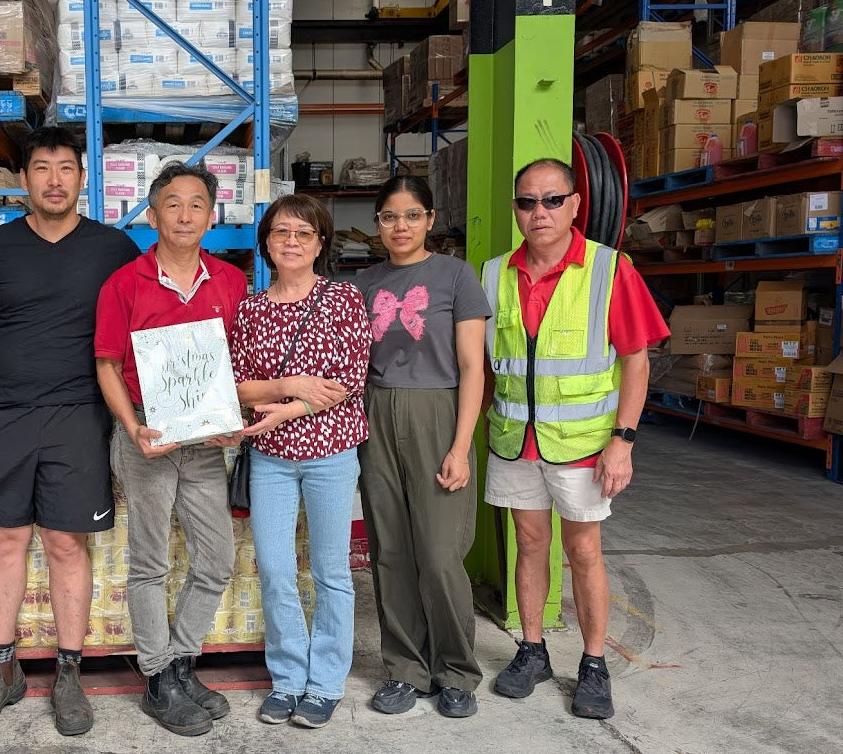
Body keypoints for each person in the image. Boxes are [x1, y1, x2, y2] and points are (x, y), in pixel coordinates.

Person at [0, 126, 140, 737]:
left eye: (65, 168)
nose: (54, 180)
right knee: (6, 539)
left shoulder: (114, 248)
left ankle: (68, 674)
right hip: (6, 414)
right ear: (25, 178)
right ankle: (1, 670)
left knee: (65, 544)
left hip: (79, 413)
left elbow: (142, 320)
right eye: (41, 168)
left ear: (83, 178)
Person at [484, 158, 668, 720]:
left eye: (551, 200)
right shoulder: (493, 274)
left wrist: (624, 440)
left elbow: (636, 363)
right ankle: (533, 649)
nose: (538, 213)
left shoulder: (610, 270)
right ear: (515, 208)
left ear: (575, 205)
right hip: (515, 439)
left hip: (583, 445)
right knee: (529, 543)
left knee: (583, 551)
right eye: (526, 202)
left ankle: (592, 663)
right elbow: (488, 366)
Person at [93, 161, 247, 737]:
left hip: (205, 443)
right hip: (148, 440)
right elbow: (107, 363)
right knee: (151, 563)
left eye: (197, 204)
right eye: (173, 204)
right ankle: (157, 680)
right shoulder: (124, 283)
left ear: (212, 215)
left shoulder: (231, 282)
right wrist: (132, 427)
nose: (185, 215)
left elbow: (233, 365)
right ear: (153, 214)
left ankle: (182, 663)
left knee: (216, 560)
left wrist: (233, 421)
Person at [352, 176, 491, 719]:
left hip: (439, 415)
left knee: (438, 555)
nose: (400, 226)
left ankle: (456, 670)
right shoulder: (362, 283)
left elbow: (473, 366)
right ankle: (405, 668)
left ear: (431, 220)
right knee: (391, 552)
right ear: (378, 225)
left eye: (412, 215)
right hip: (376, 413)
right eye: (389, 216)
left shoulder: (456, 276)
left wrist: (461, 446)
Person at [229, 194, 371, 729]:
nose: (292, 241)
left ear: (321, 244)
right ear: (266, 241)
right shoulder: (251, 308)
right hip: (270, 459)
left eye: (304, 233)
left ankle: (326, 681)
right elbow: (239, 385)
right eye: (282, 232)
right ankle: (287, 677)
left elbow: (349, 379)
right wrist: (287, 392)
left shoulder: (342, 299)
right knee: (275, 568)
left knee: (332, 570)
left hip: (332, 454)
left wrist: (285, 408)